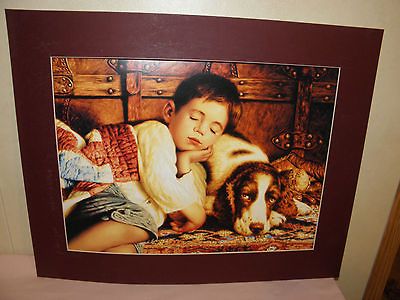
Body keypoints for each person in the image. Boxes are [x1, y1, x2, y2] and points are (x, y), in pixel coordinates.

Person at [61, 73, 242, 254]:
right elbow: (160, 181)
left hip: (125, 218)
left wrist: (184, 163)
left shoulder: (195, 166)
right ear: (170, 112)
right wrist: (197, 215)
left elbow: (185, 208)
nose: (201, 130)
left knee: (130, 249)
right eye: (194, 117)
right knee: (143, 223)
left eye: (213, 129)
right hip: (104, 192)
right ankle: (67, 255)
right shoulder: (156, 132)